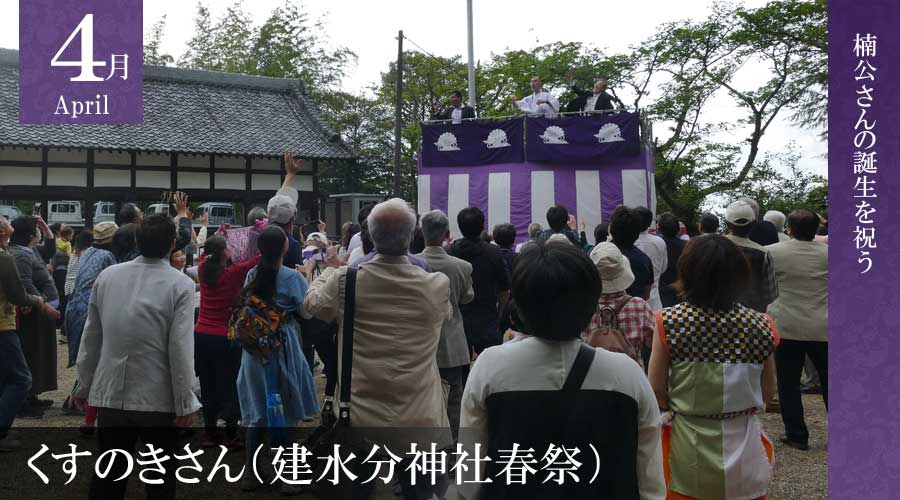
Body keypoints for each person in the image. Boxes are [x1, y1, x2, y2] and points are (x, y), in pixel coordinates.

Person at [459, 240, 665, 500]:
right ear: (592, 307)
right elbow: (650, 483)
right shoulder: (627, 374)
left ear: (518, 308)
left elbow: (469, 479)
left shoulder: (490, 366)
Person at [305, 198, 452, 498]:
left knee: (358, 487)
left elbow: (311, 305)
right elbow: (445, 315)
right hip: (419, 412)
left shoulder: (348, 280)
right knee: (417, 491)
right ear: (412, 237)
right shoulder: (436, 285)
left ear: (369, 236)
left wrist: (333, 269)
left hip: (359, 412)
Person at [74, 214, 199, 500]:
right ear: (171, 244)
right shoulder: (180, 284)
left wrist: (85, 384)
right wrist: (185, 401)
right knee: (159, 478)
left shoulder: (108, 276)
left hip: (111, 392)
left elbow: (91, 336)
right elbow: (180, 349)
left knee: (109, 475)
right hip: (158, 396)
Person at [648, 235, 778, 500]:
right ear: (740, 275)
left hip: (688, 440)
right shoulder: (762, 325)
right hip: (743, 441)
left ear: (687, 273)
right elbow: (768, 391)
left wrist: (673, 406)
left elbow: (656, 388)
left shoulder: (669, 321)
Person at [236, 226, 319, 492]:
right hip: (283, 347)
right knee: (287, 407)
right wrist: (307, 275)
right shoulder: (292, 277)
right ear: (285, 248)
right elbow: (306, 313)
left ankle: (251, 472)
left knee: (258, 410)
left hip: (254, 349)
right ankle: (288, 477)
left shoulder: (252, 273)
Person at [766, 209, 828, 451]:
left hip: (786, 324)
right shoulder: (829, 254)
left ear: (788, 229)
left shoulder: (772, 252)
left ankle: (797, 435)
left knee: (788, 383)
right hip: (823, 325)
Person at [193, 234, 259, 449]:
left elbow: (204, 254)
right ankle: (231, 435)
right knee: (230, 385)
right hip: (225, 337)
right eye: (229, 248)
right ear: (223, 253)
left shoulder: (203, 269)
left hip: (202, 335)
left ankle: (210, 432)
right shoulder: (232, 274)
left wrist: (222, 234)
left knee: (208, 383)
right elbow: (256, 259)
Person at [418, 210, 475, 443]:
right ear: (447, 235)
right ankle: (451, 450)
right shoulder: (462, 266)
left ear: (422, 233)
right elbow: (467, 297)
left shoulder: (413, 264)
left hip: (420, 342)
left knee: (421, 397)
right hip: (452, 340)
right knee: (453, 397)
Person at [0, 216, 55, 450]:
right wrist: (39, 300)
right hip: (3, 324)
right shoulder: (6, 257)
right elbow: (18, 294)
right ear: (2, 231)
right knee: (22, 378)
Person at [8, 216, 58, 418]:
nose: (39, 233)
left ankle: (33, 394)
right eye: (36, 229)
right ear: (30, 235)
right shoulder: (20, 255)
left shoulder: (33, 250)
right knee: (31, 353)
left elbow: (50, 251)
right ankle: (25, 399)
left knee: (40, 353)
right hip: (34, 312)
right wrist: (44, 305)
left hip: (41, 311)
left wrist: (46, 228)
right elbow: (24, 283)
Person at [449, 207, 511, 354]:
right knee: (490, 368)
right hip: (486, 318)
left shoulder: (449, 252)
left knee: (460, 372)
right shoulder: (493, 252)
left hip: (457, 320)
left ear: (459, 226)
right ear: (482, 226)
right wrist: (499, 313)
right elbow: (505, 289)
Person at [584, 242, 655, 370]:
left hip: (591, 379)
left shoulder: (582, 306)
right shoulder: (639, 306)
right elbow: (655, 344)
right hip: (631, 380)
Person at [65, 222, 118, 368]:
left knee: (83, 358)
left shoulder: (87, 251)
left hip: (74, 305)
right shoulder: (108, 256)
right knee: (94, 358)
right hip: (90, 307)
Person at [723, 200, 778, 313]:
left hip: (715, 314)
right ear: (753, 224)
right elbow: (771, 295)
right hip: (751, 317)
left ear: (727, 224)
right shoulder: (763, 253)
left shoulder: (713, 245)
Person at [266, 152, 305, 269]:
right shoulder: (292, 245)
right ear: (294, 216)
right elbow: (299, 277)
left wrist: (290, 174)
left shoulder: (262, 235)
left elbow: (279, 206)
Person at [609, 206, 653, 301]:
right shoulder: (645, 261)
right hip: (635, 312)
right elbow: (646, 295)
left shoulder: (596, 254)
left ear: (611, 229)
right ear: (637, 233)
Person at [634, 206, 667, 311]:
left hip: (632, 303)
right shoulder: (659, 242)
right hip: (654, 302)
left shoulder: (628, 241)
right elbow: (663, 268)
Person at [657, 213, 685, 307]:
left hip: (660, 288)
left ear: (659, 228)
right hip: (681, 288)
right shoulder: (687, 245)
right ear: (678, 228)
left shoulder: (657, 244)